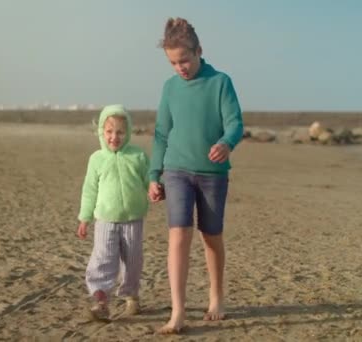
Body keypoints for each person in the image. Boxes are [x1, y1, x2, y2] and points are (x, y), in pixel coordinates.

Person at [148, 17, 244, 334]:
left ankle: (216, 297)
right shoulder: (170, 88)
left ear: (199, 51)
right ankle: (178, 312)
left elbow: (234, 124)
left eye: (184, 60)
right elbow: (162, 133)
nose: (180, 68)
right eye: (174, 63)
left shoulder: (220, 82)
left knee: (211, 236)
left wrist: (225, 143)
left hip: (212, 173)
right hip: (176, 170)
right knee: (178, 234)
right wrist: (154, 174)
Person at [76, 104, 150, 321]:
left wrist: (156, 187)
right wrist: (84, 218)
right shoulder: (97, 159)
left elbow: (149, 179)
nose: (114, 137)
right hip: (105, 219)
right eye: (109, 132)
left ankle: (132, 296)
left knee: (133, 260)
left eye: (119, 132)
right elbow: (89, 190)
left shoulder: (137, 156)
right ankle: (100, 299)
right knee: (103, 258)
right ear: (101, 131)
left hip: (133, 219)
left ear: (127, 133)